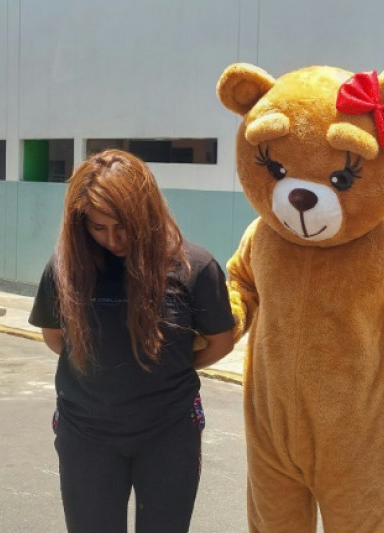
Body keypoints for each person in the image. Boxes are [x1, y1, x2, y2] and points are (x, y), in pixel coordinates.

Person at [28, 149, 235, 533]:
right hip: (86, 433)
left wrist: (165, 367)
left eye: (123, 226)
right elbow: (57, 339)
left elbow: (221, 342)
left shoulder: (194, 266)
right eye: (97, 228)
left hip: (169, 432)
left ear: (147, 211)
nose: (112, 240)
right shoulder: (66, 268)